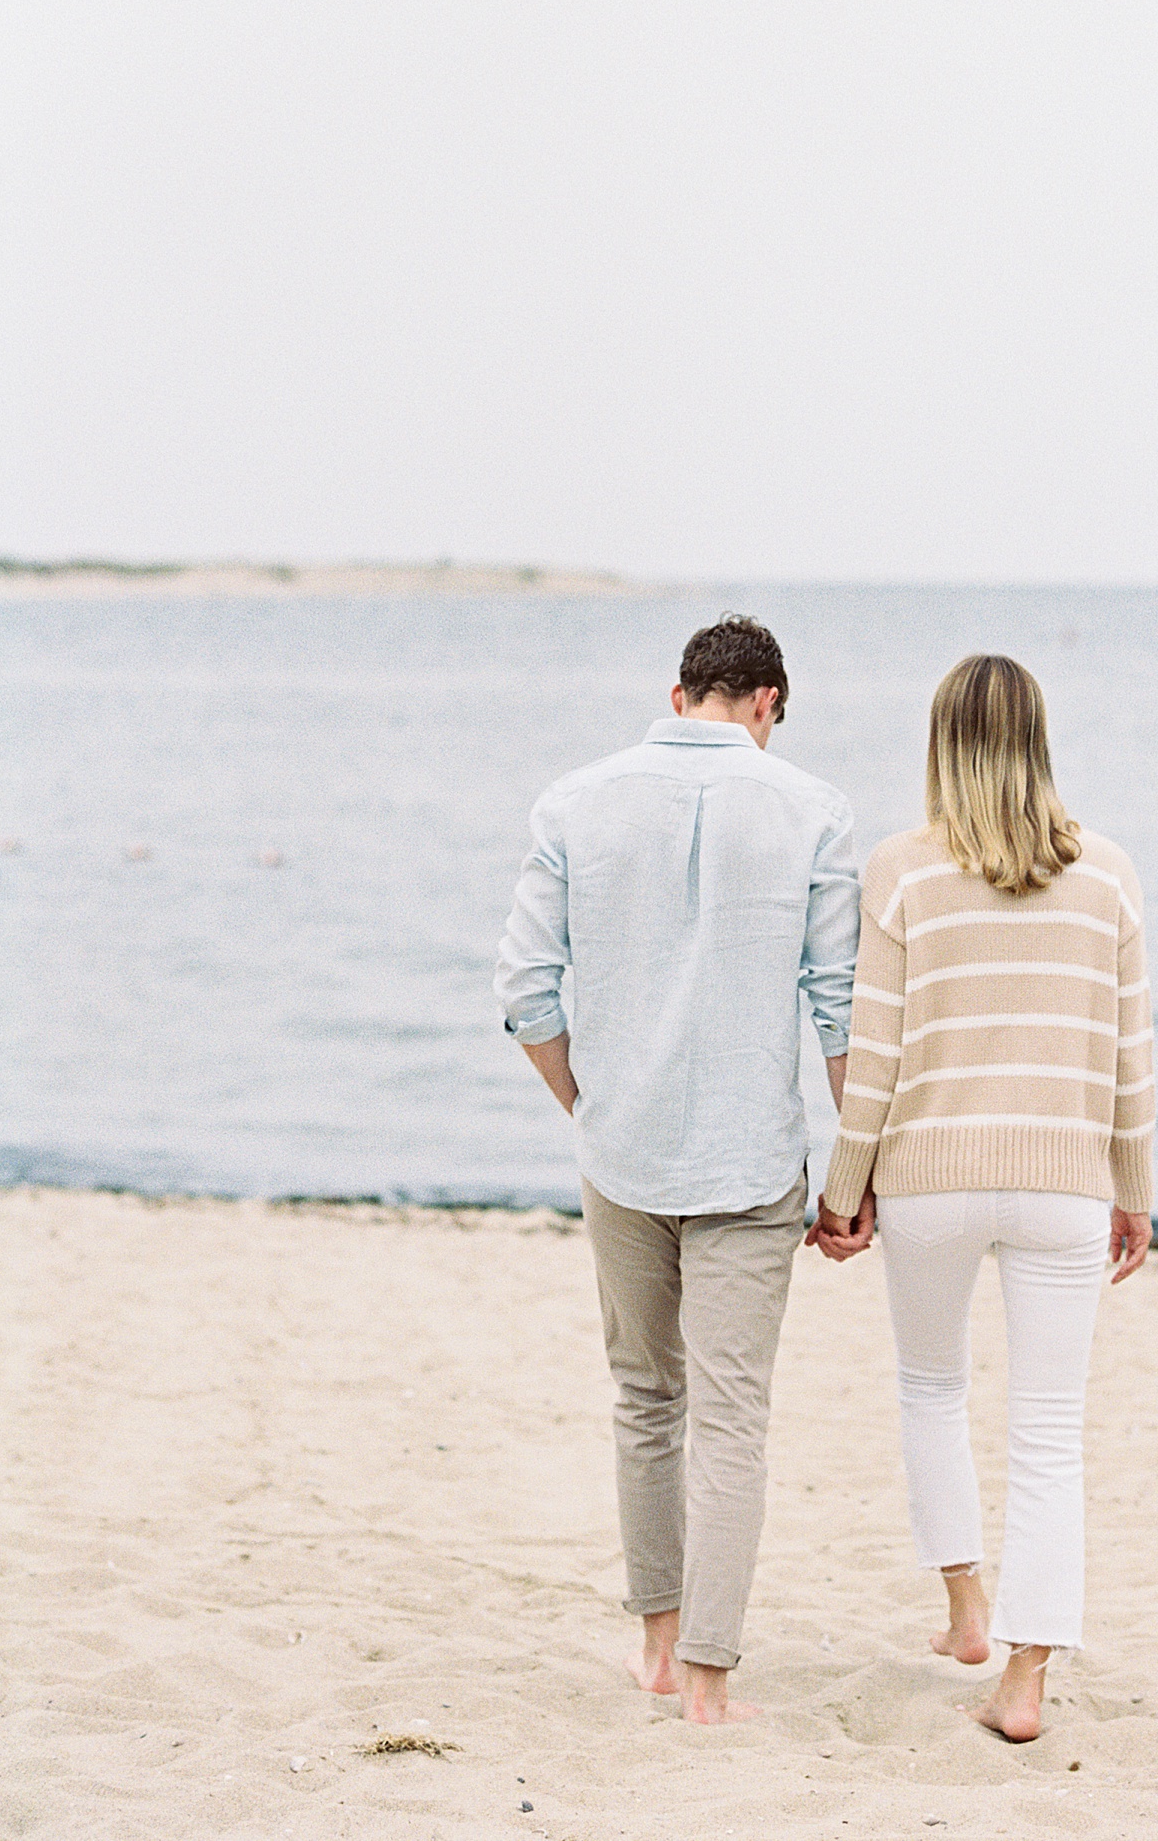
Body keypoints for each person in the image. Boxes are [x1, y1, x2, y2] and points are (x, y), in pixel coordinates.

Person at [495, 615, 868, 1723]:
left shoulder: (574, 800)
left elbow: (525, 989)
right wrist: (856, 1170)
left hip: (624, 1152)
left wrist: (588, 1103)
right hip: (752, 1163)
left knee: (646, 1399)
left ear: (678, 691)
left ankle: (656, 1646)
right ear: (768, 704)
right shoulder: (814, 809)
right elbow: (840, 1003)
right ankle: (709, 1680)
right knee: (733, 1417)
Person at [811, 653, 1154, 1743]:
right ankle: (1023, 1676)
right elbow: (1129, 1059)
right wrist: (1133, 1189)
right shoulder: (1106, 872)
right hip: (1064, 1180)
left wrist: (843, 1191)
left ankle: (965, 1607)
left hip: (928, 1179)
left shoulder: (901, 870)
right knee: (1050, 1432)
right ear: (1040, 740)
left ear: (941, 744)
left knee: (930, 1388)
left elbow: (875, 1055)